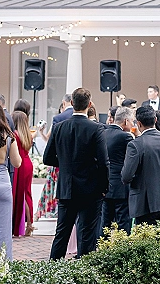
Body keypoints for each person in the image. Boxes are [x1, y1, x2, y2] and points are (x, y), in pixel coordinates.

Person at [44, 88, 109, 259]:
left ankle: (53, 272)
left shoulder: (59, 127)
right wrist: (104, 187)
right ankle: (85, 273)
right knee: (87, 234)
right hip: (91, 189)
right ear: (89, 105)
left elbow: (48, 158)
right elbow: (103, 162)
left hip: (67, 187)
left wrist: (66, 164)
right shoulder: (96, 129)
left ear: (72, 103)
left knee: (62, 234)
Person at [121, 105, 160, 224]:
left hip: (145, 203)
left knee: (146, 240)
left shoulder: (136, 144)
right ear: (155, 120)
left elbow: (126, 177)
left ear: (138, 123)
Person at [0, 102, 21, 260]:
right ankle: (3, 263)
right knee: (3, 230)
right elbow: (16, 163)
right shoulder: (9, 137)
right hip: (2, 184)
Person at [102, 106, 134, 234]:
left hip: (104, 183)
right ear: (125, 121)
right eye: (132, 121)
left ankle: (101, 247)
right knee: (123, 220)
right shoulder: (126, 137)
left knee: (105, 221)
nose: (133, 124)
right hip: (120, 185)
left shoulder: (102, 133)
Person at [11, 110, 34, 237]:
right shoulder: (27, 135)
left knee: (20, 194)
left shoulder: (15, 135)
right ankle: (29, 224)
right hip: (27, 163)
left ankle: (22, 223)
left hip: (19, 165)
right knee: (27, 194)